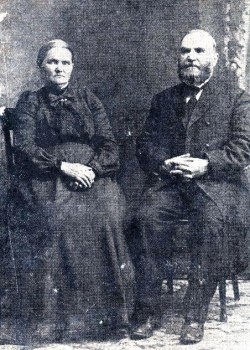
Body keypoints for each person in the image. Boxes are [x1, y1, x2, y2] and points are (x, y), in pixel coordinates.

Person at [6, 39, 134, 344]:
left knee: (106, 215)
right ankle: (59, 319)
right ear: (40, 68)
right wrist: (64, 167)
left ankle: (111, 317)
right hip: (46, 175)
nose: (58, 68)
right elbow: (24, 147)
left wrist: (92, 170)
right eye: (52, 62)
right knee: (55, 219)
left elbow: (109, 145)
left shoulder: (89, 100)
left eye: (65, 62)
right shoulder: (29, 102)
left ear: (72, 67)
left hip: (92, 173)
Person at [130, 29, 250, 344]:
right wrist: (165, 163)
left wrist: (207, 163)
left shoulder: (237, 98)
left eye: (198, 51)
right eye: (185, 51)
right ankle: (147, 311)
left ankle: (194, 316)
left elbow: (243, 148)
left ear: (214, 58)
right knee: (145, 219)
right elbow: (145, 146)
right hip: (171, 186)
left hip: (216, 185)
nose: (191, 58)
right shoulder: (163, 99)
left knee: (212, 224)